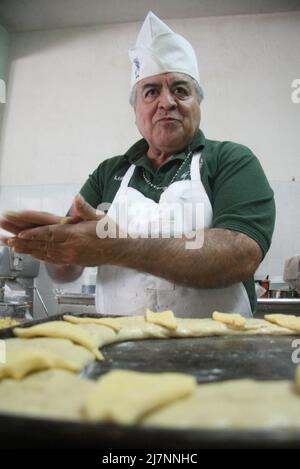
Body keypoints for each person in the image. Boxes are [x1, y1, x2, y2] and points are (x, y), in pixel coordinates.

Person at [0, 12, 275, 318]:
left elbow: (239, 255)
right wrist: (57, 248)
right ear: (136, 109)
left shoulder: (231, 160)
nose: (167, 102)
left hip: (220, 354)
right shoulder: (109, 173)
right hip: (118, 350)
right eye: (152, 91)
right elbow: (66, 272)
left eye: (181, 90)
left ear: (198, 102)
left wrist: (117, 246)